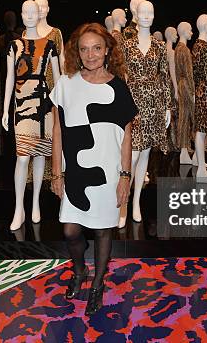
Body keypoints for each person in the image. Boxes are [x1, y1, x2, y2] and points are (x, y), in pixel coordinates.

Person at [50, 23, 138, 315]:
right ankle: (79, 270)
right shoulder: (65, 84)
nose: (90, 54)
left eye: (96, 48)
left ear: (107, 50)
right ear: (77, 52)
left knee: (103, 231)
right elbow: (58, 132)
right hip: (75, 169)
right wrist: (56, 172)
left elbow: (126, 137)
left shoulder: (119, 88)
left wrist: (125, 177)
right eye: (84, 48)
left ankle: (98, 283)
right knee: (71, 230)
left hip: (109, 171)